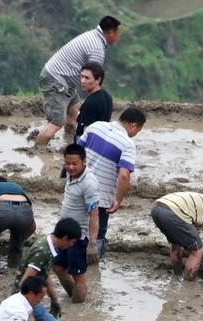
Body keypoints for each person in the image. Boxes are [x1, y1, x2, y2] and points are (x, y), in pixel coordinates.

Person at [36, 17, 121, 145]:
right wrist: (98, 101)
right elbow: (94, 78)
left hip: (65, 81)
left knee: (73, 115)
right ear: (110, 33)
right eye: (117, 33)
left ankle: (69, 144)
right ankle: (38, 151)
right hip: (56, 80)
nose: (117, 37)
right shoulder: (97, 48)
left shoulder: (92, 35)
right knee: (56, 123)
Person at [78, 107, 146, 261]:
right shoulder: (127, 144)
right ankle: (92, 270)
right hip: (100, 197)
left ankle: (70, 260)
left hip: (78, 188)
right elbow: (124, 175)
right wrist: (118, 200)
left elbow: (76, 152)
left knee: (75, 227)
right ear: (133, 126)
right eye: (138, 130)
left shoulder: (95, 126)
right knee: (97, 234)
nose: (135, 134)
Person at [11, 218, 80, 321]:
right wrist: (29, 313)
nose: (70, 246)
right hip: (25, 301)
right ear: (66, 238)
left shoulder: (48, 244)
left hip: (23, 300)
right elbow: (24, 283)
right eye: (72, 242)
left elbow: (44, 275)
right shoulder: (42, 251)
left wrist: (54, 299)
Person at [58, 143, 100, 299]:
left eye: (74, 164)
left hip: (78, 237)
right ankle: (73, 297)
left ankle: (78, 305)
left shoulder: (89, 183)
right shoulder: (71, 174)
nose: (70, 167)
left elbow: (94, 214)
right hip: (63, 234)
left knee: (78, 277)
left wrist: (92, 244)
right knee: (57, 266)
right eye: (67, 163)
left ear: (84, 162)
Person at [0, 177, 36, 270]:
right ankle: (13, 270)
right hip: (25, 211)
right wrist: (22, 237)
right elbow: (32, 225)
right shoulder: (17, 187)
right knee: (17, 245)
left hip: (3, 209)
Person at [74, 62, 113, 142]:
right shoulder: (107, 97)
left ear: (98, 80)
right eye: (82, 77)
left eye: (87, 78)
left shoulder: (91, 102)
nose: (82, 81)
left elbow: (84, 131)